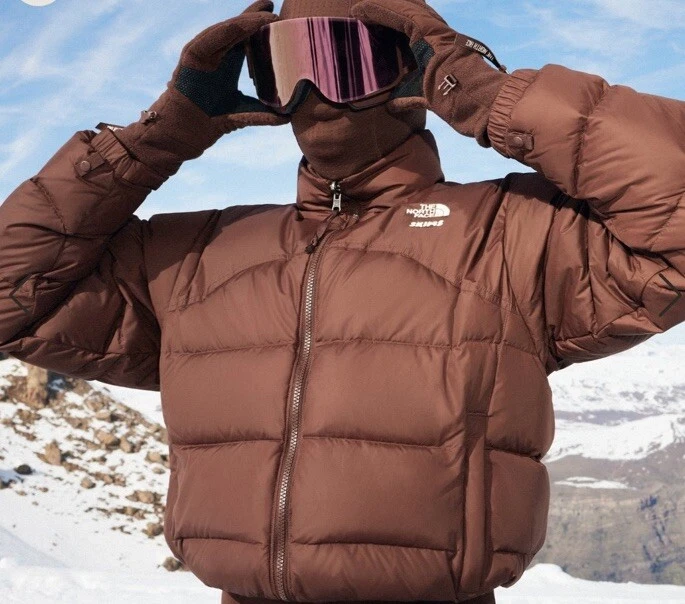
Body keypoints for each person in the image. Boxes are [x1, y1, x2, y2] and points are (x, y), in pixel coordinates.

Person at [0, 0, 683, 602]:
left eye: (345, 61)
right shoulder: (198, 255)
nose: (313, 91)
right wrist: (158, 136)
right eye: (284, 67)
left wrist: (487, 97)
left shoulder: (511, 238)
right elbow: (12, 298)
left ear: (409, 71)